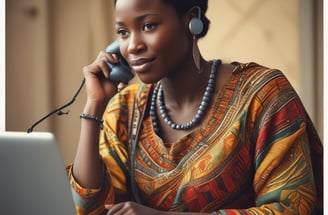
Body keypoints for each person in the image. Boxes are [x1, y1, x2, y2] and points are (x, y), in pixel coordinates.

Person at [66, 0, 323, 214]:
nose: (132, 46)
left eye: (148, 26)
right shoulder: (124, 109)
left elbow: (293, 208)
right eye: (123, 32)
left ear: (191, 21)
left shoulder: (263, 95)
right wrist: (94, 107)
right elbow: (89, 209)